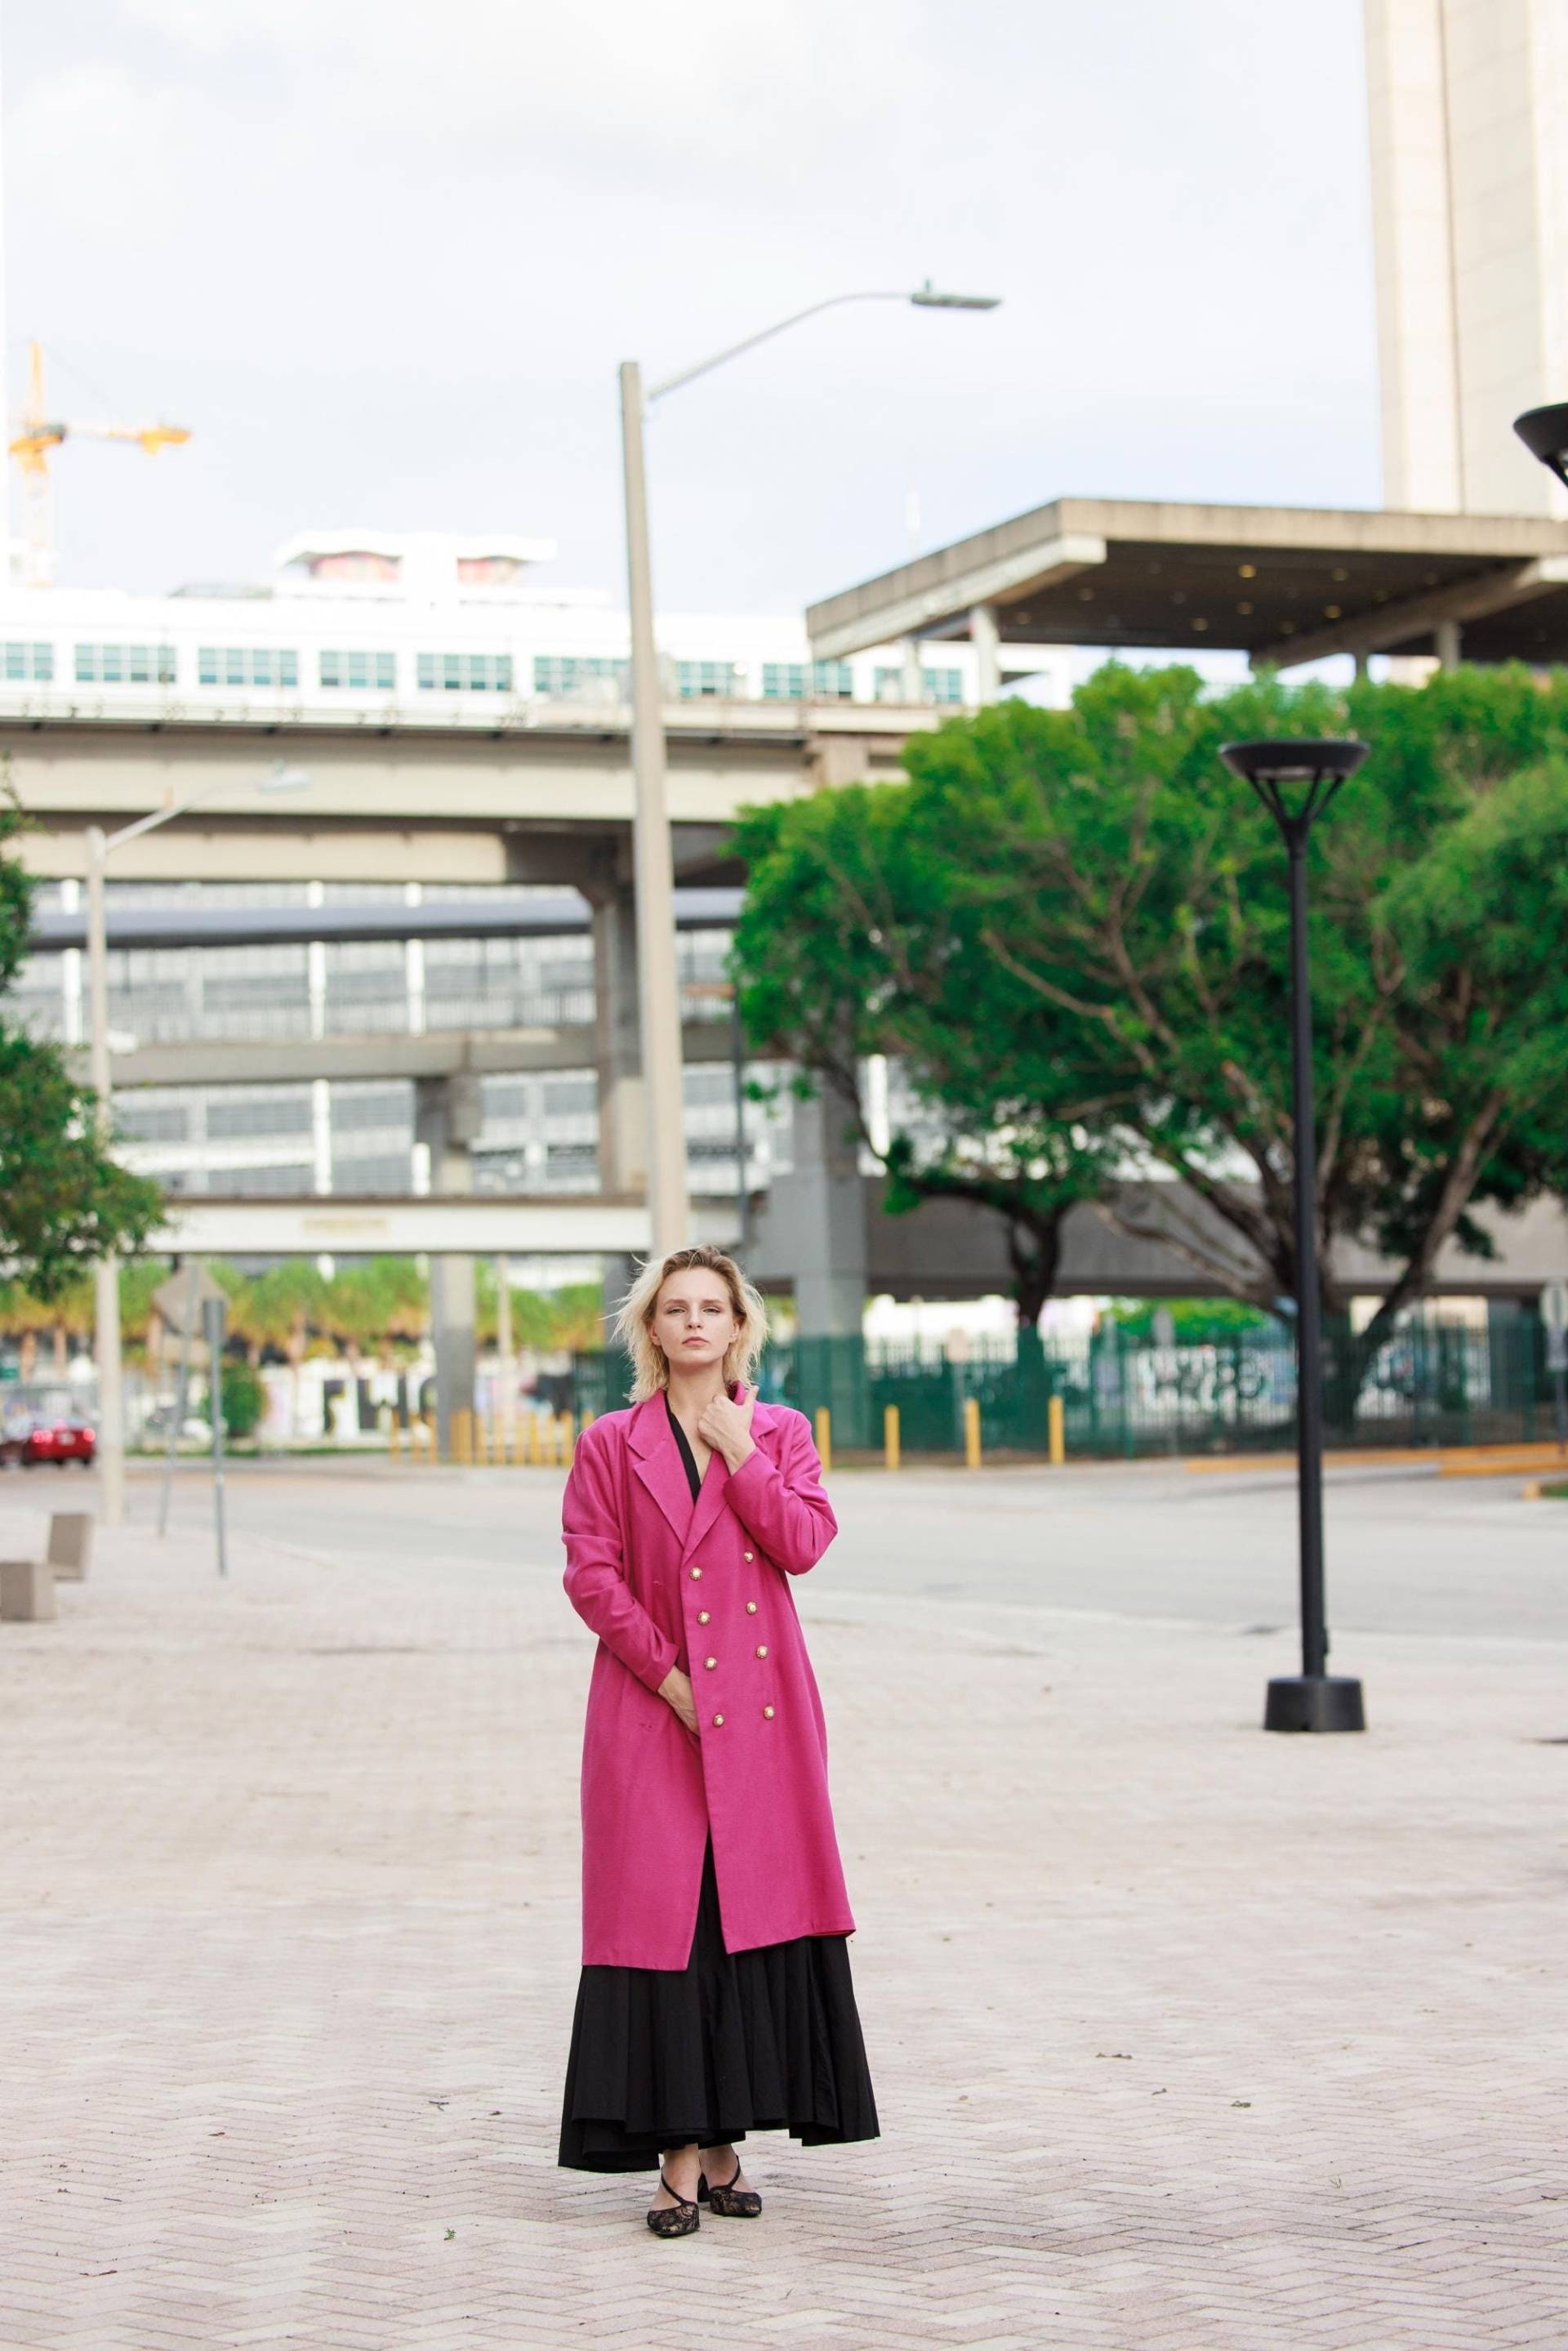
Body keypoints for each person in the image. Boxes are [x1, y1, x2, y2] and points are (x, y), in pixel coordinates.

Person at [556, 1244, 879, 2237]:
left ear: (741, 1326)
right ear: (650, 1329)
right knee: (671, 1927)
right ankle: (680, 2156)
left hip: (765, 1718)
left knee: (745, 1927)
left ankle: (724, 2145)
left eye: (713, 1307)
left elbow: (806, 1545)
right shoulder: (611, 1442)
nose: (695, 1321)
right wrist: (666, 1677)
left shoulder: (780, 1431)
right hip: (651, 1710)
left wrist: (741, 1450)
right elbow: (589, 1570)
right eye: (676, 1307)